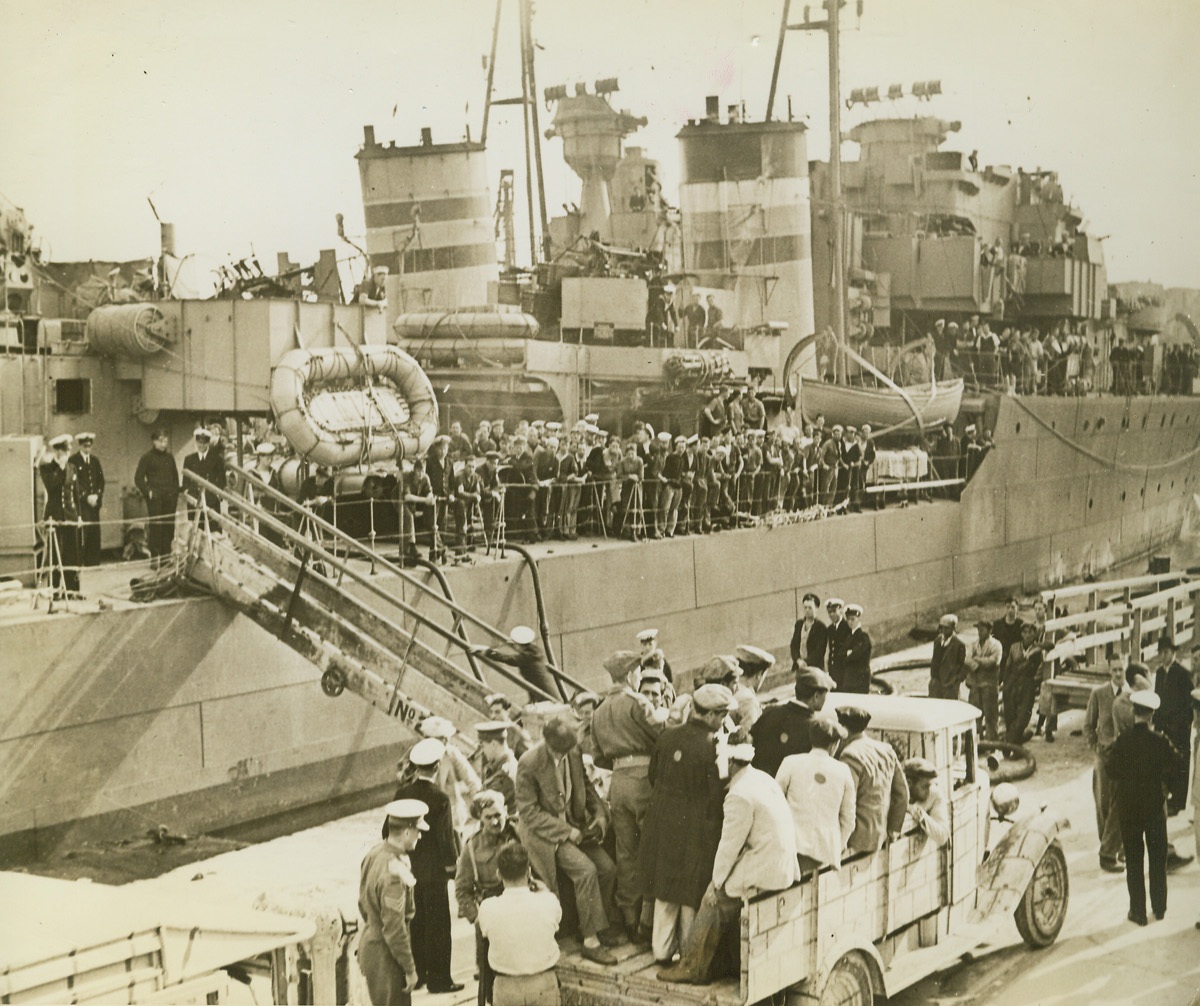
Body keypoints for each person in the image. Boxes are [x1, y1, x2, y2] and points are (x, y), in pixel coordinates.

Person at [657, 743, 799, 985]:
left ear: (731, 763)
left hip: (765, 864)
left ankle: (692, 967)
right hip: (780, 862)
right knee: (725, 893)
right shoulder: (761, 778)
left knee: (713, 900)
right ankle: (720, 964)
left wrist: (716, 882)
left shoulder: (738, 794)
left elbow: (729, 846)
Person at [515, 714, 619, 965]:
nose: (562, 756)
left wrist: (599, 815)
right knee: (585, 871)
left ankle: (597, 923)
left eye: (566, 750)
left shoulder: (571, 752)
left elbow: (586, 785)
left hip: (575, 825)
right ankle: (590, 941)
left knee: (607, 869)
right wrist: (564, 831)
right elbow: (528, 813)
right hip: (546, 835)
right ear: (546, 741)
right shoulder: (528, 763)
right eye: (557, 751)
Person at [640, 683, 732, 965]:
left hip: (661, 819)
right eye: (722, 715)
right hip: (694, 826)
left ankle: (661, 949)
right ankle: (688, 951)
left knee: (665, 885)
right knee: (691, 887)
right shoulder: (712, 746)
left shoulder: (667, 736)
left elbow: (653, 775)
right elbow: (716, 793)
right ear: (714, 715)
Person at [589, 649, 669, 944]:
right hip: (642, 779)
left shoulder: (599, 711)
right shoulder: (637, 701)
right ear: (631, 674)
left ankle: (630, 918)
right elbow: (662, 732)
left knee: (625, 853)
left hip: (617, 783)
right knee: (651, 848)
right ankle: (648, 922)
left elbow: (597, 755)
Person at [1107, 690, 1185, 925]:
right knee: (1157, 858)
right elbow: (1178, 766)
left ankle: (1138, 912)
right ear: (1151, 715)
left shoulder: (1123, 740)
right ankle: (1159, 908)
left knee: (1133, 859)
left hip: (1129, 808)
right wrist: (1168, 791)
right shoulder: (1160, 741)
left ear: (1134, 712)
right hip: (1154, 807)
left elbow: (1111, 770)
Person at [392, 739, 463, 994]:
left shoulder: (402, 794)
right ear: (437, 766)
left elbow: (386, 831)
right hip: (434, 873)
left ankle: (418, 975)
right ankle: (440, 979)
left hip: (408, 871)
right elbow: (446, 838)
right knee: (439, 927)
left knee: (416, 923)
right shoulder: (440, 798)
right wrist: (453, 868)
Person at [358, 798, 428, 1006]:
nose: (420, 835)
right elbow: (395, 928)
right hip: (387, 957)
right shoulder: (394, 873)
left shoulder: (374, 854)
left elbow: (363, 903)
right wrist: (410, 969)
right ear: (407, 832)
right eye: (418, 830)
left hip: (371, 944)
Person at [476, 842, 563, 1006]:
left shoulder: (488, 908)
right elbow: (556, 919)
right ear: (529, 872)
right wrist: (545, 891)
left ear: (498, 874)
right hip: (543, 983)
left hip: (506, 987)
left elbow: (484, 930)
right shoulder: (548, 901)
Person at [455, 791, 520, 1006]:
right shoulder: (471, 849)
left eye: (498, 815)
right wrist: (477, 920)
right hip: (488, 917)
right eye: (488, 817)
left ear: (506, 813)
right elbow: (462, 891)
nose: (494, 821)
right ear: (480, 819)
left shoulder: (516, 836)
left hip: (516, 910)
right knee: (490, 980)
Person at [776, 717, 855, 871]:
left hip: (792, 847)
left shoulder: (790, 762)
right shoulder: (843, 771)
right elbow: (849, 819)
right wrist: (837, 847)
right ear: (834, 744)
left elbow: (775, 803)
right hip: (824, 855)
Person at [836, 706, 909, 854]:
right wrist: (893, 829)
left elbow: (845, 802)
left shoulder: (850, 755)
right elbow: (902, 794)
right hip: (880, 836)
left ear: (843, 729)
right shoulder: (886, 749)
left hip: (854, 841)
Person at [750, 666, 835, 777]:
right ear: (816, 696)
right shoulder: (816, 727)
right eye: (825, 695)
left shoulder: (769, 713)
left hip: (759, 785)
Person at [1084, 662, 1128, 872]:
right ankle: (1107, 847)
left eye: (1121, 669)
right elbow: (1088, 725)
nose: (1118, 673)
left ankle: (1118, 850)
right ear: (1110, 672)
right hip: (1104, 756)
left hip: (1124, 758)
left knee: (1121, 805)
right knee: (1102, 802)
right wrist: (1096, 748)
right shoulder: (1099, 693)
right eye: (1115, 670)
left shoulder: (1131, 695)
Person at [1153, 637, 1193, 815]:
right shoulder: (1160, 673)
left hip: (1179, 727)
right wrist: (1157, 722)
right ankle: (1168, 797)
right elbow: (1157, 699)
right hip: (1164, 726)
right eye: (1161, 652)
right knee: (1165, 761)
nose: (1164, 656)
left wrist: (1181, 724)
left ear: (1173, 653)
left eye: (1167, 652)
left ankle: (1178, 802)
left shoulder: (1183, 673)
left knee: (1180, 762)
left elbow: (1189, 702)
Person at [38, 434, 81, 594]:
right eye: (65, 450)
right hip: (54, 516)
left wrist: (79, 516)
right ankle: (55, 590)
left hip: (70, 515)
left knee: (72, 554)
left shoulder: (72, 468)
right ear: (57, 451)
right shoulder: (47, 469)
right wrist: (61, 469)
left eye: (69, 450)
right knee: (55, 555)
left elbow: (75, 494)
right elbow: (53, 486)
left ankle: (72, 590)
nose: (67, 453)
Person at [474, 625, 561, 701]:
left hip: (544, 697)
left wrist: (487, 651)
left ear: (517, 644)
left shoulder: (527, 657)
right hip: (543, 694)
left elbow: (508, 659)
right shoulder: (534, 651)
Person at [134, 428, 180, 559]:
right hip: (155, 498)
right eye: (160, 441)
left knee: (168, 527)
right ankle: (155, 558)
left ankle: (166, 557)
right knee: (156, 528)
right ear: (154, 441)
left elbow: (175, 478)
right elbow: (138, 478)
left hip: (169, 498)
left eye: (165, 440)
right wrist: (148, 491)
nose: (163, 444)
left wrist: (174, 493)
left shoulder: (170, 458)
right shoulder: (147, 458)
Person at [70, 433, 104, 566]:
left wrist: (97, 495)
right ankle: (80, 562)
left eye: (89, 446)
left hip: (94, 503)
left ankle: (93, 561)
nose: (87, 449)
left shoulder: (95, 461)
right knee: (82, 534)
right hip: (81, 504)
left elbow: (101, 481)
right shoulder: (73, 461)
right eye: (85, 446)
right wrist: (85, 497)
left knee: (94, 532)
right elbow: (74, 483)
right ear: (80, 445)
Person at [965, 620, 1003, 740]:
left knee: (990, 716)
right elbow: (966, 659)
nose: (979, 632)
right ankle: (977, 743)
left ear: (989, 630)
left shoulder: (996, 645)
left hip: (989, 685)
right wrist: (976, 665)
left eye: (982, 629)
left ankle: (991, 743)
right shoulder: (973, 644)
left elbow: (993, 661)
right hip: (975, 684)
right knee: (974, 715)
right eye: (978, 629)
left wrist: (977, 660)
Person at [472, 721, 519, 815]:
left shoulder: (505, 773)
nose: (482, 750)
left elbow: (477, 809)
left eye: (483, 746)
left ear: (493, 744)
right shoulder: (500, 764)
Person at [182, 427, 225, 522]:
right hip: (194, 500)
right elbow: (185, 481)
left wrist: (218, 496)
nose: (201, 445)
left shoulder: (217, 459)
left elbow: (222, 480)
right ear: (196, 442)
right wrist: (187, 491)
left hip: (211, 500)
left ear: (208, 443)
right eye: (199, 442)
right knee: (195, 530)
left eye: (204, 443)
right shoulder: (189, 459)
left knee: (213, 529)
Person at [903, 758, 950, 847]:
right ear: (909, 783)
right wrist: (906, 807)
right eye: (925, 787)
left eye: (930, 786)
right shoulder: (895, 793)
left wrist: (920, 815)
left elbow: (942, 835)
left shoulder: (934, 794)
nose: (928, 791)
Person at [929, 614, 966, 699]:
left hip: (950, 685)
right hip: (936, 682)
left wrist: (955, 681)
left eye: (947, 628)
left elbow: (963, 665)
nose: (943, 630)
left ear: (953, 628)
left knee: (949, 708)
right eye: (942, 628)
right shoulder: (937, 641)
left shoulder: (958, 644)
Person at [790, 592, 828, 673]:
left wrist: (805, 662)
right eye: (805, 607)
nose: (807, 610)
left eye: (810, 608)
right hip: (799, 667)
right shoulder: (799, 624)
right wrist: (797, 660)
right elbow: (793, 645)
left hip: (815, 669)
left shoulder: (821, 627)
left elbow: (819, 652)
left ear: (817, 608)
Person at [837, 603, 872, 693]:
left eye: (853, 619)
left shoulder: (863, 637)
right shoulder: (849, 637)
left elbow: (856, 655)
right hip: (849, 680)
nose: (850, 622)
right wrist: (848, 652)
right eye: (848, 619)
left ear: (858, 619)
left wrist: (848, 654)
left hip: (860, 680)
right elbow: (840, 654)